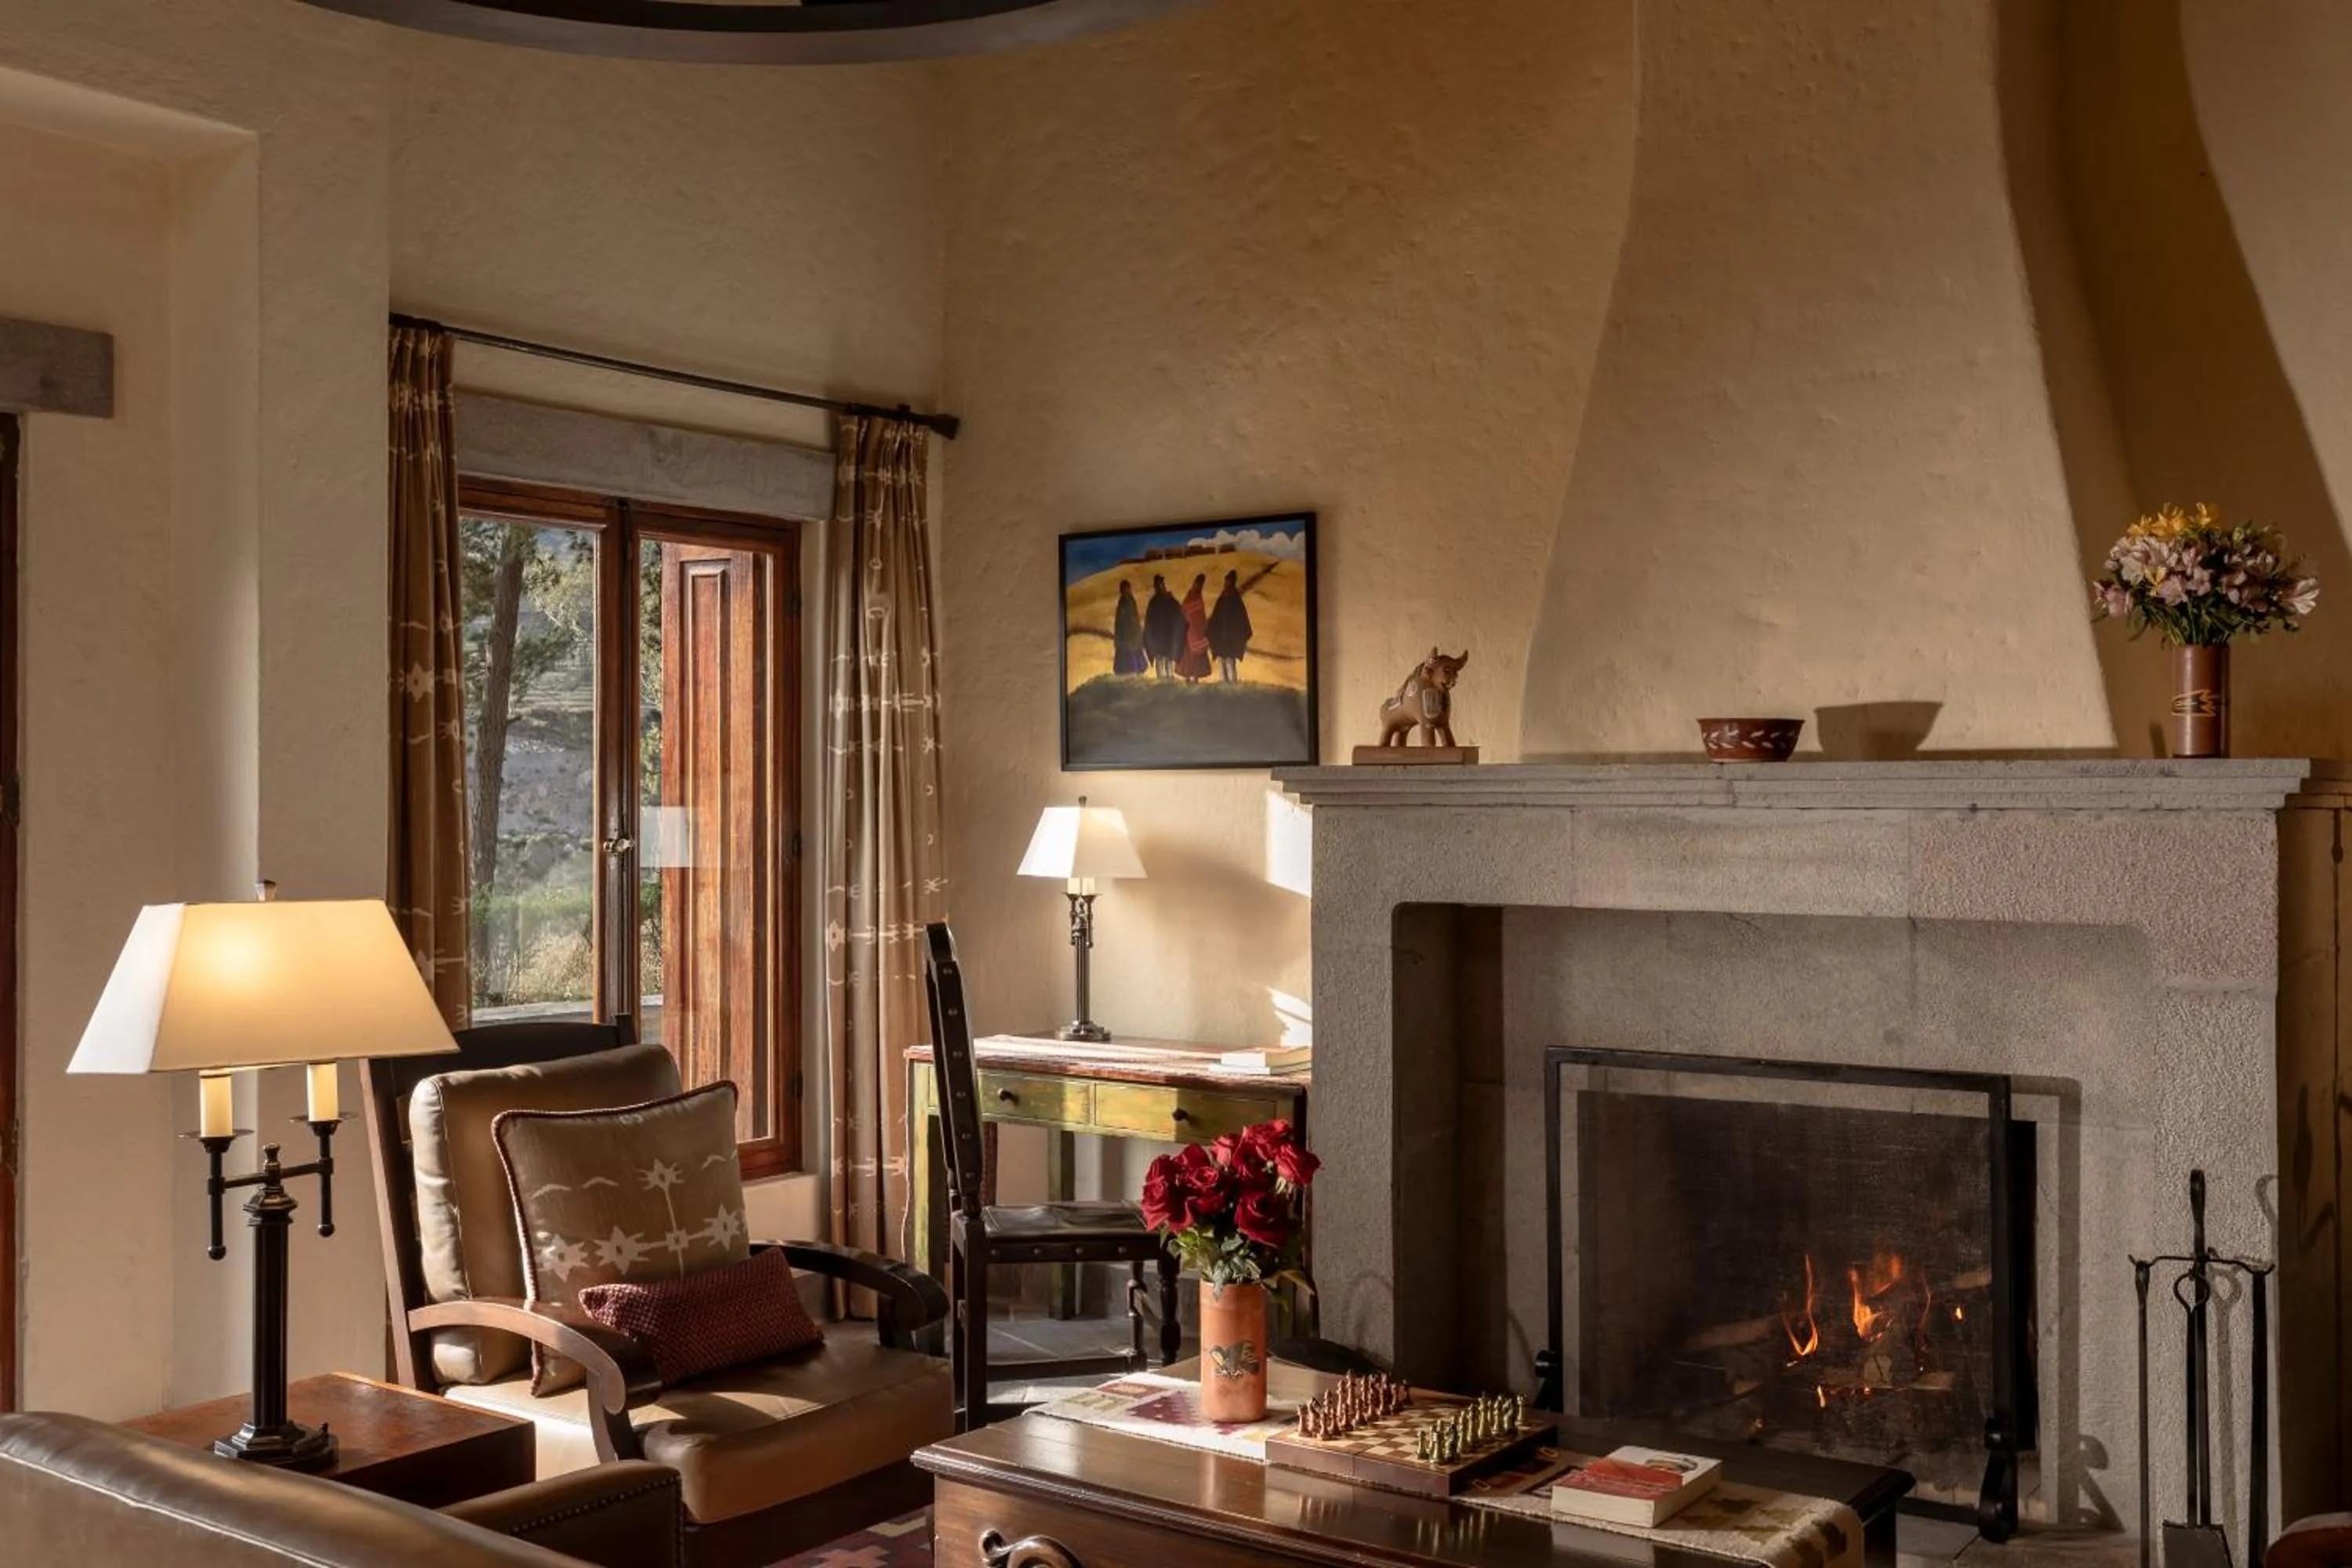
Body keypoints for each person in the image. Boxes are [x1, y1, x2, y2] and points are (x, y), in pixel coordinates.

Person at [1207, 568, 1253, 682]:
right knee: (1223, 663)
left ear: (1232, 583)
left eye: (1228, 582)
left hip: (1231, 641)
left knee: (1230, 663)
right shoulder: (1222, 599)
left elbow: (1242, 621)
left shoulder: (1236, 601)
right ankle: (1225, 686)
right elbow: (1215, 618)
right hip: (1222, 639)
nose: (1226, 584)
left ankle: (1232, 687)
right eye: (1226, 582)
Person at [1144, 573, 1185, 680]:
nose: (1161, 587)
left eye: (1162, 584)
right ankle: (1162, 685)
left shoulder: (1168, 600)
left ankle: (1168, 683)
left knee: (1168, 662)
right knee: (1160, 662)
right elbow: (1149, 623)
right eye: (1159, 584)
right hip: (1159, 640)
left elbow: (1178, 612)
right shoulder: (1153, 603)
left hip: (1167, 638)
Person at [1177, 572, 1214, 682]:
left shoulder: (1197, 597)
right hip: (1189, 634)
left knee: (1195, 659)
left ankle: (1195, 678)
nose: (1198, 586)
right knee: (1189, 659)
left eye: (1200, 584)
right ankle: (1188, 678)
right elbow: (1184, 611)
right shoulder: (1191, 597)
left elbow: (1200, 616)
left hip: (1196, 633)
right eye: (1197, 584)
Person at [1112, 579, 1146, 675]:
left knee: (1133, 659)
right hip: (1125, 637)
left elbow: (1134, 619)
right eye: (1123, 589)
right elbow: (1119, 622)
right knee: (1126, 661)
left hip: (1132, 636)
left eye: (1126, 589)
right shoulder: (1123, 602)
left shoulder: (1130, 601)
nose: (1124, 591)